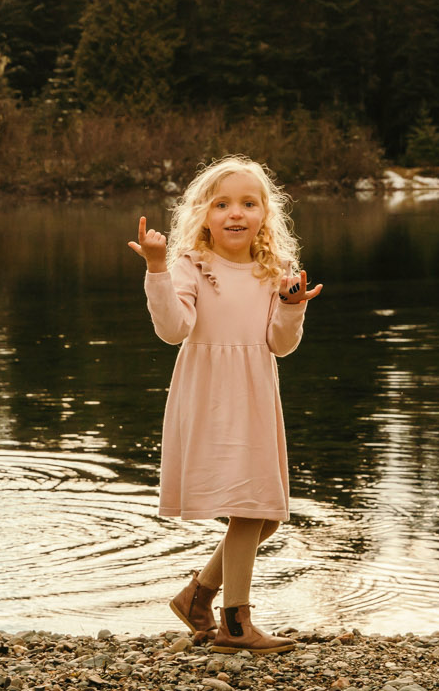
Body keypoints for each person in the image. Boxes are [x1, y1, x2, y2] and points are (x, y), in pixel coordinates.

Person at [131, 155, 321, 654]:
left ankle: (198, 596)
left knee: (268, 513)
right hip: (212, 396)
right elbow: (173, 329)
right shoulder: (191, 264)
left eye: (248, 203)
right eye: (222, 204)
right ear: (204, 215)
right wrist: (155, 269)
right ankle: (236, 625)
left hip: (256, 395)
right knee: (247, 506)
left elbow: (280, 345)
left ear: (265, 214)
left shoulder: (273, 270)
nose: (235, 213)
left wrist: (291, 305)